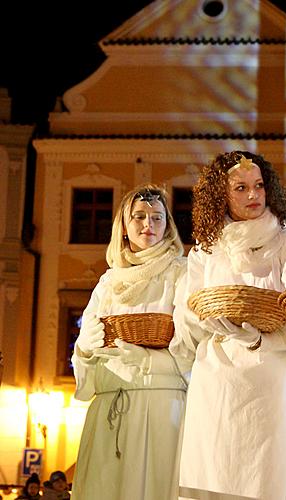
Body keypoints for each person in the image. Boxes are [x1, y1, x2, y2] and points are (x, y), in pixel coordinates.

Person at [171, 150, 286, 499]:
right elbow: (188, 310)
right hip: (215, 380)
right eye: (240, 188)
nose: (253, 195)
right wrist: (209, 317)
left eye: (259, 186)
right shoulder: (206, 250)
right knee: (212, 476)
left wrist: (258, 339)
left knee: (261, 476)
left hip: (266, 379)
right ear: (221, 194)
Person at [71, 184, 189, 500]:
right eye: (138, 216)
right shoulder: (108, 281)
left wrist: (152, 361)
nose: (147, 224)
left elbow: (193, 343)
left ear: (168, 226)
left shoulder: (181, 273)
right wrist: (83, 348)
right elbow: (86, 351)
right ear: (124, 225)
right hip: (111, 404)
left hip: (159, 407)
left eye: (156, 217)